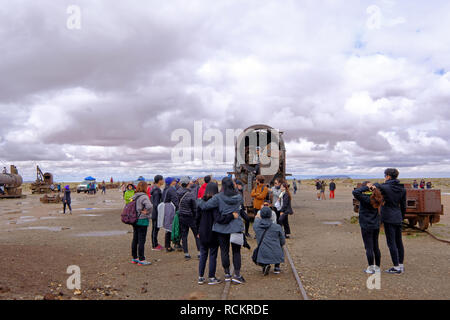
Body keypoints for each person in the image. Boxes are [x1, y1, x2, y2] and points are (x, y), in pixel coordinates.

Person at [197, 177, 246, 284]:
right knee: (236, 252)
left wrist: (199, 201)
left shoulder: (218, 197)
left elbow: (205, 206)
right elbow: (242, 205)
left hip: (222, 228)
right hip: (236, 227)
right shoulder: (238, 197)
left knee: (224, 251)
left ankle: (227, 274)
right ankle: (237, 275)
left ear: (222, 186)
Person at [371, 168, 406, 274]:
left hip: (388, 217)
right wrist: (401, 216)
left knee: (391, 243)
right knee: (399, 241)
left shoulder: (385, 187)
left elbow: (376, 185)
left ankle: (396, 267)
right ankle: (401, 265)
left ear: (388, 176)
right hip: (398, 216)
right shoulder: (402, 189)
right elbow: (403, 206)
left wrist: (374, 185)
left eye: (385, 175)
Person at [352, 182, 383, 274]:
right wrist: (373, 188)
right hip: (376, 224)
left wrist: (366, 187)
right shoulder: (377, 198)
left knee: (369, 248)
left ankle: (370, 268)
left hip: (366, 225)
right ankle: (377, 268)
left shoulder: (365, 199)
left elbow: (355, 192)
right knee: (376, 247)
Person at [196, 182, 221, 285]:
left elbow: (197, 218)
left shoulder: (201, 202)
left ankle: (200, 277)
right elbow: (217, 218)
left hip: (202, 231)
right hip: (213, 232)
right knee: (213, 255)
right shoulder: (215, 203)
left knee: (203, 254)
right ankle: (211, 277)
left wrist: (197, 231)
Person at [253, 206, 286, 275]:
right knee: (279, 246)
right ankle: (277, 267)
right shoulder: (277, 227)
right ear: (271, 215)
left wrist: (257, 217)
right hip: (276, 251)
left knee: (263, 246)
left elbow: (256, 220)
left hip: (263, 252)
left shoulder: (256, 226)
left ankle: (265, 265)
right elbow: (283, 241)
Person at [177, 176, 201, 260]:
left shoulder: (177, 193)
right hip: (190, 217)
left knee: (184, 235)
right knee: (196, 234)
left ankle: (186, 253)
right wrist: (196, 217)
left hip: (181, 216)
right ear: (188, 184)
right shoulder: (190, 194)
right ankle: (199, 253)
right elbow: (194, 208)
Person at [130, 181, 153, 266]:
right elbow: (150, 206)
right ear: (145, 187)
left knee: (135, 239)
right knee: (141, 240)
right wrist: (147, 212)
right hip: (142, 220)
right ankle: (141, 259)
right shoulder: (144, 196)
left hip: (134, 219)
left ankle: (134, 258)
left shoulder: (134, 196)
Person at [162, 177, 179, 252]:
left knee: (168, 227)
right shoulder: (172, 189)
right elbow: (175, 200)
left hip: (166, 208)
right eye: (174, 181)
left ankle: (167, 245)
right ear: (171, 182)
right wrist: (179, 208)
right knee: (171, 227)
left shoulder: (166, 188)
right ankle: (169, 246)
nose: (175, 182)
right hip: (170, 209)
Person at [150, 175, 164, 251]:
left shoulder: (155, 189)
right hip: (156, 212)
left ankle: (155, 243)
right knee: (155, 229)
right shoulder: (156, 191)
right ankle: (154, 245)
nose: (163, 181)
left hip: (155, 212)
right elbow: (156, 204)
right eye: (162, 179)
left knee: (155, 229)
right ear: (159, 181)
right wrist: (160, 213)